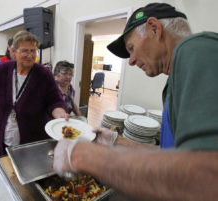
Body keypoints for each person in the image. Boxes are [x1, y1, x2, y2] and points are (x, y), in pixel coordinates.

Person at [53, 3, 218, 201]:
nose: (130, 61)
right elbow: (172, 154)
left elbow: (207, 175)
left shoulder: (196, 50)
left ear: (154, 28)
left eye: (131, 48)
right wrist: (118, 141)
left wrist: (82, 155)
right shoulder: (176, 79)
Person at [0, 31, 69, 157]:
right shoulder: (3, 70)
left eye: (33, 51)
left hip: (33, 137)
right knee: (6, 167)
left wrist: (60, 113)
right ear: (14, 52)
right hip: (5, 134)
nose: (30, 55)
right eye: (25, 51)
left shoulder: (43, 74)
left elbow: (54, 101)